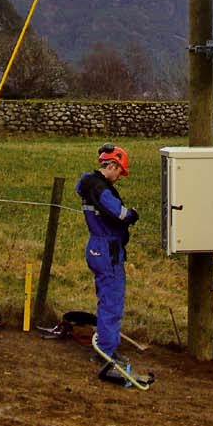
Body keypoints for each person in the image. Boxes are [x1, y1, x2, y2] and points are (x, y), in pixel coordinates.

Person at [75, 143, 138, 372]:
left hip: (97, 247)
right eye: (120, 172)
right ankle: (106, 352)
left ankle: (104, 344)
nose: (120, 177)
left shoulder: (89, 186)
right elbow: (120, 214)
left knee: (106, 299)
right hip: (108, 249)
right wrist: (132, 215)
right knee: (112, 301)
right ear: (112, 165)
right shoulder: (102, 190)